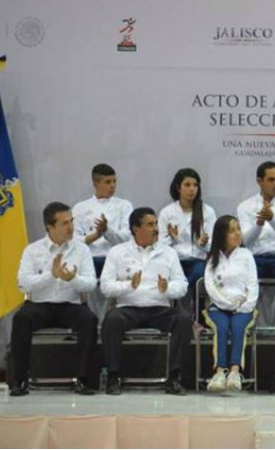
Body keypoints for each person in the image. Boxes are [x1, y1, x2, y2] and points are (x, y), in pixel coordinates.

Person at [10, 202, 98, 396]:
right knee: (21, 319)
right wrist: (51, 276)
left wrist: (72, 279)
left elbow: (91, 284)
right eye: (64, 223)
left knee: (89, 319)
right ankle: (20, 380)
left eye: (71, 221)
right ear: (49, 227)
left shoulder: (81, 250)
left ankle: (84, 379)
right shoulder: (32, 250)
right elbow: (23, 284)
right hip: (39, 306)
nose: (71, 227)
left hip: (70, 305)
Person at [100, 207, 189, 395]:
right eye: (150, 224)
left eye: (156, 224)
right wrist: (129, 286)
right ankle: (113, 377)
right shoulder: (117, 252)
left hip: (160, 309)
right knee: (112, 320)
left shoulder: (168, 253)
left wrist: (167, 289)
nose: (156, 229)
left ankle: (174, 378)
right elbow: (105, 287)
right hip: (128, 309)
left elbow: (182, 285)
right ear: (135, 229)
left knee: (183, 319)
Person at [203, 215, 259, 392]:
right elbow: (210, 286)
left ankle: (235, 372)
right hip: (219, 307)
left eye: (238, 229)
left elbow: (253, 285)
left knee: (237, 327)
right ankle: (220, 372)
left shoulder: (246, 255)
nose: (237, 234)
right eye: (231, 231)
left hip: (243, 307)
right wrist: (227, 304)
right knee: (221, 327)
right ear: (221, 235)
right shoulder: (213, 258)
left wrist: (245, 306)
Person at [72, 163, 133, 323]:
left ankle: (106, 323)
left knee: (115, 279)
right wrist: (96, 235)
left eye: (114, 181)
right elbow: (74, 240)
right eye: (107, 182)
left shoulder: (124, 206)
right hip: (90, 258)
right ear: (95, 183)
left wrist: (107, 231)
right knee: (87, 279)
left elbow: (127, 238)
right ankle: (96, 322)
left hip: (116, 258)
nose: (112, 186)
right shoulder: (80, 208)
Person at [158, 168, 216, 317]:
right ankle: (182, 316)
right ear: (178, 187)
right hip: (174, 260)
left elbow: (214, 244)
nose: (192, 189)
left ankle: (195, 315)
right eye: (187, 185)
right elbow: (159, 245)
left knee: (197, 274)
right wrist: (172, 238)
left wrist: (203, 243)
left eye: (195, 185)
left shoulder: (207, 211)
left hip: (199, 259)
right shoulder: (167, 212)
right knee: (177, 276)